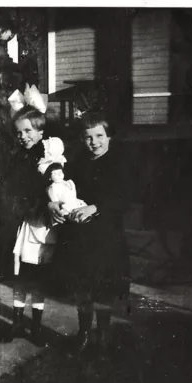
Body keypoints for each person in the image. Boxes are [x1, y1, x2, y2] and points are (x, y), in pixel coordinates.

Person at [49, 112, 130, 355]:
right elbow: (62, 188)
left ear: (109, 137)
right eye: (88, 137)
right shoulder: (78, 162)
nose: (94, 142)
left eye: (99, 136)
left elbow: (124, 197)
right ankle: (84, 332)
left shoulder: (119, 163)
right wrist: (53, 203)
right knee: (82, 284)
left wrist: (95, 207)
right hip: (80, 236)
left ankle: (103, 333)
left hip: (106, 235)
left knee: (104, 286)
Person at [0, 96, 62, 343]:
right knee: (20, 276)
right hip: (22, 224)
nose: (24, 136)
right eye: (19, 132)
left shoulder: (47, 157)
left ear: (41, 131)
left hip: (41, 224)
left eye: (28, 131)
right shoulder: (18, 158)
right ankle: (16, 323)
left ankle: (34, 326)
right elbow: (11, 187)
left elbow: (50, 187)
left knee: (37, 278)